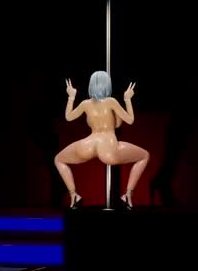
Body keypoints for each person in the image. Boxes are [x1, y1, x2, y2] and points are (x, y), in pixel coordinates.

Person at [54, 71, 148, 209]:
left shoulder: (85, 104)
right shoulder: (111, 101)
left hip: (88, 145)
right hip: (108, 146)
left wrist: (71, 97)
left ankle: (73, 195)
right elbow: (130, 120)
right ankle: (128, 195)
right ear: (107, 85)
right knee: (144, 156)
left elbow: (68, 117)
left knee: (58, 159)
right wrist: (127, 99)